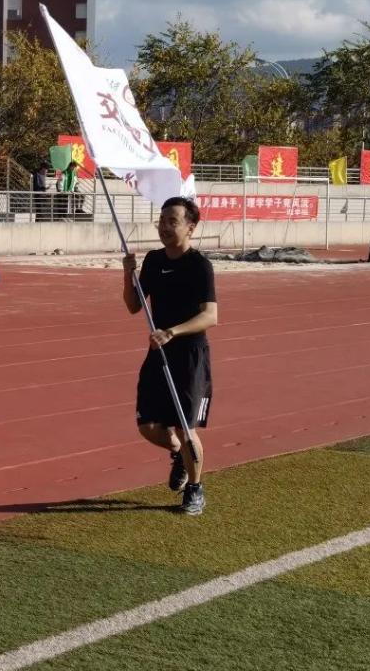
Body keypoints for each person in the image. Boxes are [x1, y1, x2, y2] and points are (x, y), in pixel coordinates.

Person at [122, 196, 217, 515]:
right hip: (158, 353)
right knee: (147, 426)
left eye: (172, 221)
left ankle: (195, 489)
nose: (164, 227)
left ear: (191, 227)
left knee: (184, 428)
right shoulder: (153, 260)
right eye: (161, 221)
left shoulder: (199, 266)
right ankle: (178, 454)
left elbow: (210, 316)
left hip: (189, 356)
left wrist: (172, 331)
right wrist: (128, 274)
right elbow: (134, 306)